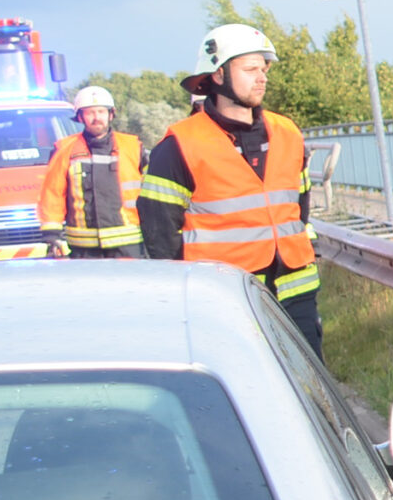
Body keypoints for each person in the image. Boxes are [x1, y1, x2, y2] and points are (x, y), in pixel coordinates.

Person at [138, 24, 322, 355]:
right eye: (250, 69)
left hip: (297, 295)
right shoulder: (179, 146)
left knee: (310, 398)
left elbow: (300, 208)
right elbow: (160, 236)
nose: (262, 77)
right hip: (225, 300)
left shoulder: (288, 133)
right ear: (219, 75)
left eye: (264, 69)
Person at [36, 85, 145, 258]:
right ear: (80, 117)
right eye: (90, 113)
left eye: (101, 112)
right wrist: (51, 234)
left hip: (128, 245)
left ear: (111, 114)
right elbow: (53, 193)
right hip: (83, 248)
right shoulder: (64, 149)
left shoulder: (133, 147)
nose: (96, 118)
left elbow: (152, 193)